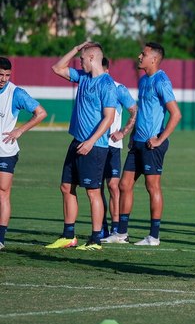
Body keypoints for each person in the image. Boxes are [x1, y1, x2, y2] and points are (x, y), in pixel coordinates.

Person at [47, 41, 117, 250]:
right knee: (66, 187)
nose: (80, 61)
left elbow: (109, 118)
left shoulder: (107, 84)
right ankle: (69, 236)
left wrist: (91, 141)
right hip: (77, 142)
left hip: (94, 147)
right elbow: (57, 68)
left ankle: (96, 239)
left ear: (93, 58)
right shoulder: (83, 77)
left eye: (82, 58)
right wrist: (78, 48)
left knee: (93, 192)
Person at [112, 42, 181, 246]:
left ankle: (154, 236)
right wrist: (132, 134)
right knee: (124, 185)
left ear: (154, 59)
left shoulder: (161, 81)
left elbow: (176, 114)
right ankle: (121, 234)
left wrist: (160, 139)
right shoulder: (143, 80)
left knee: (152, 187)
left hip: (153, 146)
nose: (139, 56)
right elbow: (142, 111)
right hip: (138, 143)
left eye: (144, 54)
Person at [0, 57, 47, 250]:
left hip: (5, 151)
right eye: (0, 75)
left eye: (7, 75)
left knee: (2, 192)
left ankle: (0, 239)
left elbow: (41, 113)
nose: (3, 79)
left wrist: (20, 130)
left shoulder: (16, 93)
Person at [98, 57, 137, 241]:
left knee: (113, 186)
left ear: (106, 71)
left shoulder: (118, 88)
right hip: (94, 145)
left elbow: (134, 110)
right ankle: (101, 228)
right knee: (95, 188)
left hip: (112, 146)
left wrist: (123, 131)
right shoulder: (89, 86)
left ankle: (116, 230)